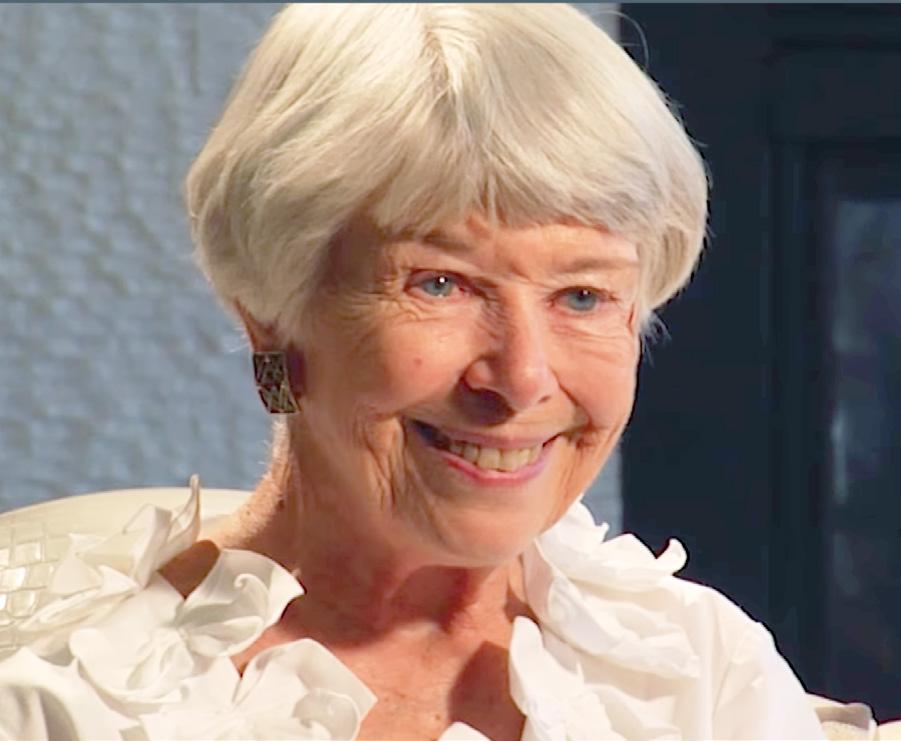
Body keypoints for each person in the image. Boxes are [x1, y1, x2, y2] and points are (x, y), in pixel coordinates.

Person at [0, 4, 827, 739]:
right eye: (441, 283)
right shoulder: (74, 714)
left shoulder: (700, 674)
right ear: (271, 311)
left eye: (581, 295)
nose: (521, 376)